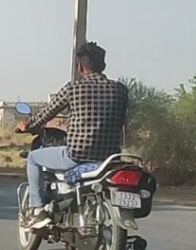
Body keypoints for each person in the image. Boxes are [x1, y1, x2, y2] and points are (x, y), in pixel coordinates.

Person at [15, 41, 129, 229]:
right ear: (104, 66)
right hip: (110, 157)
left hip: (77, 155)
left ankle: (37, 210)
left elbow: (47, 113)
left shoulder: (73, 88)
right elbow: (123, 121)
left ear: (80, 67)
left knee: (34, 158)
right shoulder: (121, 90)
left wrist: (28, 125)